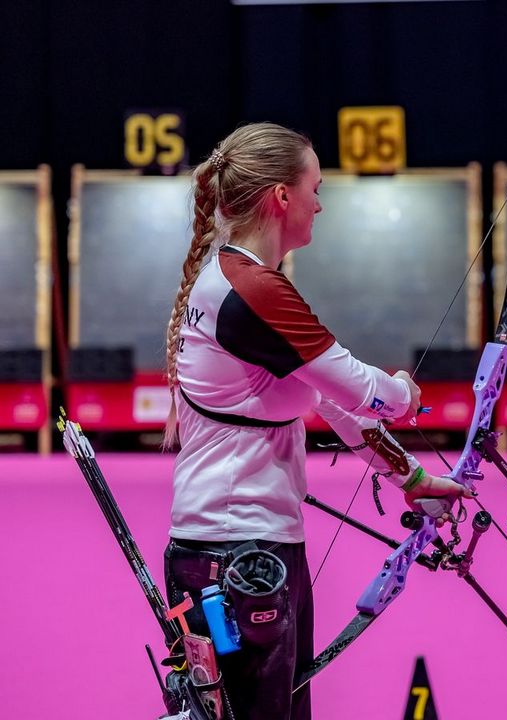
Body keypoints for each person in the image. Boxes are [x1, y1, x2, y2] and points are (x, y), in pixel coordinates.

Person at [159, 122, 471, 720]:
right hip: (239, 553)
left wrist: (409, 479)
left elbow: (326, 399)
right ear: (282, 197)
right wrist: (403, 393)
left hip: (236, 549)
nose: (320, 203)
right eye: (315, 187)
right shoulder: (251, 289)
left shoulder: (238, 280)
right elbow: (359, 389)